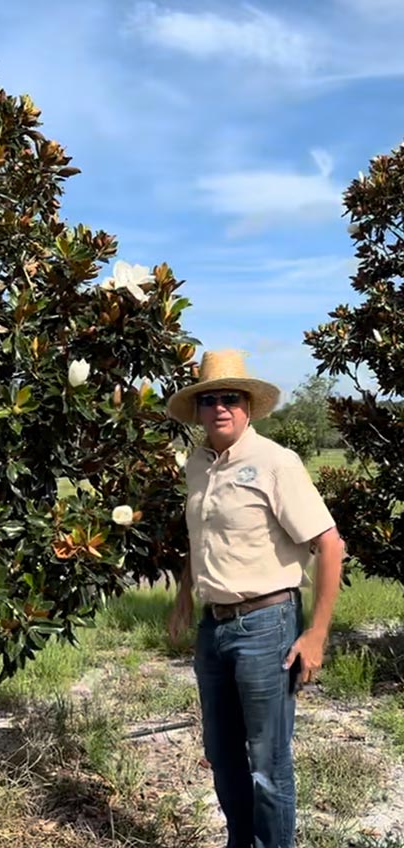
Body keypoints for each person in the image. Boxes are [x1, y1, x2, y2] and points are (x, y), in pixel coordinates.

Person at [166, 349, 344, 848]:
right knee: (222, 755)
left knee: (267, 762)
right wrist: (184, 597)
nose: (220, 407)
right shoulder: (198, 465)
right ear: (198, 410)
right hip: (214, 628)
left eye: (230, 397)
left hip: (267, 625)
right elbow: (201, 537)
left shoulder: (275, 462)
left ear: (247, 406)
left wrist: (316, 634)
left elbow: (330, 545)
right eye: (209, 400)